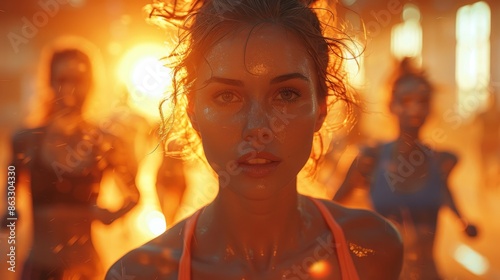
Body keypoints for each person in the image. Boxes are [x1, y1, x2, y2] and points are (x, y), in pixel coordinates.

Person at [106, 1, 403, 279]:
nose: (258, 127)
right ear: (193, 112)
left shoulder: (373, 249)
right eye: (227, 96)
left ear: (321, 109)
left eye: (286, 94)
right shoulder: (140, 273)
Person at [2, 38, 140, 280]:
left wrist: (113, 215)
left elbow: (134, 195)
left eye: (78, 80)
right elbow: (11, 185)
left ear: (91, 85)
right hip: (38, 271)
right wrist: (10, 213)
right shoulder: (26, 140)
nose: (69, 90)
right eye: (62, 80)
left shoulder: (106, 142)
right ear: (50, 83)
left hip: (86, 272)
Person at [334, 57, 478, 279]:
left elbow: (445, 191)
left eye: (422, 101)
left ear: (430, 107)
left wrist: (463, 222)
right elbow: (332, 209)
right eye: (406, 100)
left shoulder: (442, 161)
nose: (415, 109)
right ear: (391, 105)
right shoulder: (369, 158)